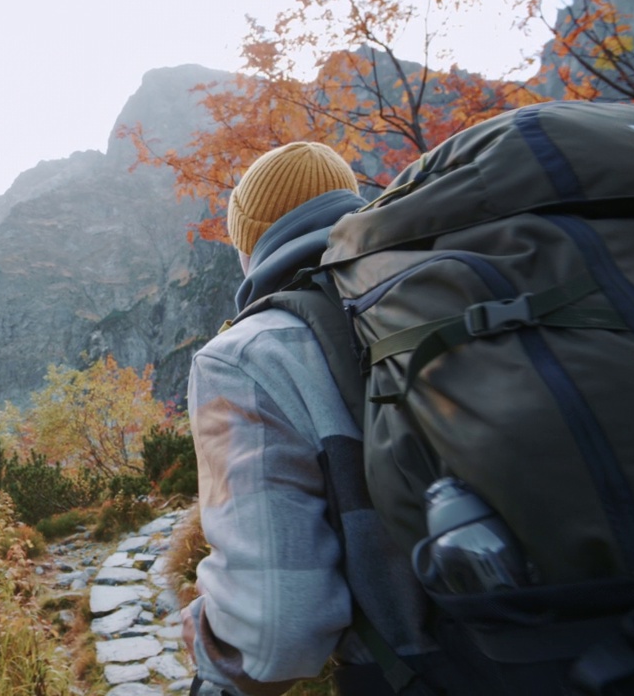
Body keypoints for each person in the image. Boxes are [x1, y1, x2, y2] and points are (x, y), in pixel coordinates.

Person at [182, 143, 448, 696]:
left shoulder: (250, 353)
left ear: (248, 242)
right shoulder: (445, 286)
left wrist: (206, 642)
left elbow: (277, 631)